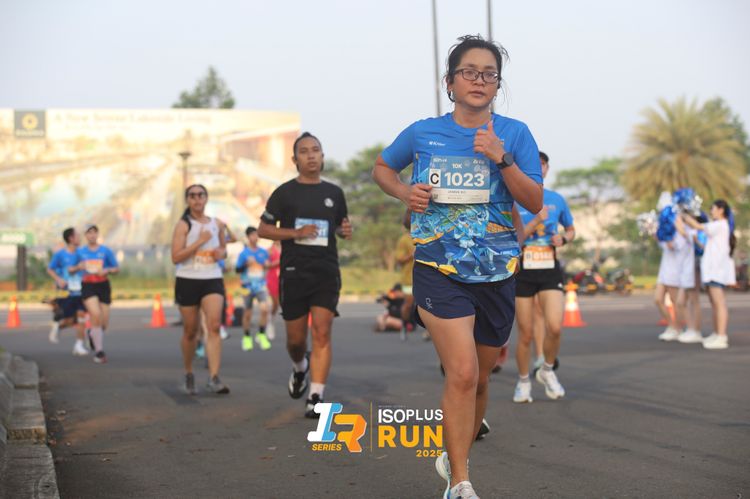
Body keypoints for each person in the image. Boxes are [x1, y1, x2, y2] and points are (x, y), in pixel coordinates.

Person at [372, 35, 542, 499]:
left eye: (489, 74)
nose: (479, 80)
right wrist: (405, 192)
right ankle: (460, 481)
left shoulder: (516, 134)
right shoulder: (423, 132)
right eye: (469, 72)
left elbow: (533, 201)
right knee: (462, 373)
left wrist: (501, 158)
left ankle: (455, 452)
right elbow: (382, 168)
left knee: (481, 379)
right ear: (450, 82)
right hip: (438, 268)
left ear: (497, 85)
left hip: (497, 271)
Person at [258, 132, 352, 418]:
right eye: (304, 151)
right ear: (294, 159)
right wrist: (296, 233)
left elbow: (339, 226)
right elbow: (263, 229)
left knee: (322, 332)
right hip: (293, 272)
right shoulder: (284, 193)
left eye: (316, 150)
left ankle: (315, 396)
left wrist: (344, 231)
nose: (311, 155)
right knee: (296, 341)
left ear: (322, 156)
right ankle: (300, 367)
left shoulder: (334, 193)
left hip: (326, 271)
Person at [512, 151, 575, 403]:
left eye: (542, 165)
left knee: (555, 327)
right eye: (534, 164)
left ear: (547, 169)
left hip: (549, 268)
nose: (539, 168)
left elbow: (571, 229)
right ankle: (523, 381)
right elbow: (514, 238)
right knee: (526, 333)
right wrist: (536, 220)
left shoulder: (557, 199)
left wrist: (564, 238)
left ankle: (547, 370)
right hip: (522, 270)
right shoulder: (514, 199)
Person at [171, 184, 230, 394]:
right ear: (187, 200)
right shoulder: (183, 225)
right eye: (192, 196)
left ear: (206, 198)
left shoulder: (216, 223)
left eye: (200, 195)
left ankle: (214, 377)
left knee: (214, 326)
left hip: (212, 277)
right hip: (188, 279)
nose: (197, 199)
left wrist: (221, 253)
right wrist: (200, 242)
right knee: (191, 331)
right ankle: (189, 373)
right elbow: (175, 257)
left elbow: (223, 249)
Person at [683, 200, 736, 349]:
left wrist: (685, 216)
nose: (711, 211)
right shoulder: (718, 226)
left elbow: (698, 226)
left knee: (719, 303)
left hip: (716, 271)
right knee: (714, 303)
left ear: (721, 210)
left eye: (712, 208)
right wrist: (697, 242)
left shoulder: (720, 224)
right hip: (712, 271)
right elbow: (710, 247)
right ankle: (717, 333)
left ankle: (722, 336)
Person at [70, 225, 118, 364]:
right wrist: (78, 267)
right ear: (85, 236)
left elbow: (116, 268)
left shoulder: (105, 251)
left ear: (97, 234)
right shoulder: (80, 252)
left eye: (94, 232)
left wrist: (107, 270)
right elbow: (70, 269)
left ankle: (92, 333)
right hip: (88, 285)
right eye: (89, 233)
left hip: (103, 285)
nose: (92, 235)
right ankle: (99, 352)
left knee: (104, 323)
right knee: (95, 314)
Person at [46, 227, 88, 355]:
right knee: (70, 320)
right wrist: (59, 279)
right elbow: (50, 269)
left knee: (81, 317)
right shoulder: (60, 254)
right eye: (77, 236)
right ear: (71, 238)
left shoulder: (82, 253)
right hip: (66, 291)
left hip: (80, 290)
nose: (80, 238)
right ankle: (58, 326)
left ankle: (79, 345)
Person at [655, 215, 691, 341]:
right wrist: (656, 231)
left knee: (676, 302)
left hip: (674, 271)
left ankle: (679, 328)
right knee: (658, 299)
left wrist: (668, 236)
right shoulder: (668, 230)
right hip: (664, 270)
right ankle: (672, 326)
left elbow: (673, 246)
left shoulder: (682, 232)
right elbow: (662, 244)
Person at [235, 226, 272, 351]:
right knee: (247, 313)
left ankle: (261, 334)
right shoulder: (244, 253)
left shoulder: (263, 252)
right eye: (253, 235)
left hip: (260, 285)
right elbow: (237, 269)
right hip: (247, 286)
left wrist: (267, 266)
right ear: (248, 237)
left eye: (257, 235)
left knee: (264, 309)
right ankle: (246, 337)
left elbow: (267, 266)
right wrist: (246, 264)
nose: (255, 237)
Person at [394, 210, 417, 340]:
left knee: (428, 307)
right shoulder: (404, 240)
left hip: (424, 277)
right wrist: (411, 255)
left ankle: (429, 332)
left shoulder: (426, 236)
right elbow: (399, 259)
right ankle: (404, 325)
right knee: (408, 304)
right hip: (409, 279)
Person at [265, 240, 281, 340]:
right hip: (273, 278)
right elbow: (266, 264)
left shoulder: (286, 247)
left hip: (284, 277)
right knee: (275, 303)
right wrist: (279, 262)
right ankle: (270, 322)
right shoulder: (270, 250)